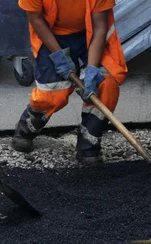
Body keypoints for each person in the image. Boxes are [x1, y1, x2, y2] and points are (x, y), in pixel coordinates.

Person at [11, 0, 128, 167]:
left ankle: (89, 141)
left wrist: (92, 70)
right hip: (51, 35)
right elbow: (35, 19)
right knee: (52, 94)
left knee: (106, 83)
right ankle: (27, 126)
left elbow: (100, 29)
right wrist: (59, 56)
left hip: (89, 35)